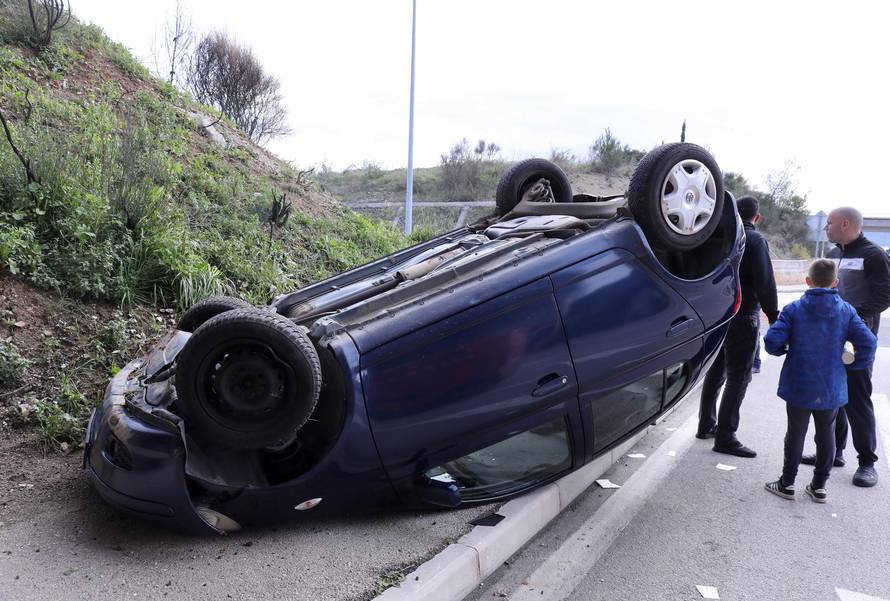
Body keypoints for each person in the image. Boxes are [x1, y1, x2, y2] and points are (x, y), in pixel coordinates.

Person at [762, 259, 876, 503]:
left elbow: (771, 340)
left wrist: (783, 350)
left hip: (799, 383)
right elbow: (868, 342)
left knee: (795, 433)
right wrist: (854, 365)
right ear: (835, 282)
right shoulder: (846, 311)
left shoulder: (794, 309)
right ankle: (819, 486)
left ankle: (787, 483)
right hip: (831, 385)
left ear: (808, 281)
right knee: (827, 434)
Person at [799, 207, 890, 487]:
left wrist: (852, 316)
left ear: (846, 224)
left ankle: (866, 463)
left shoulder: (874, 255)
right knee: (830, 396)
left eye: (830, 223)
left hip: (857, 340)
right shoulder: (834, 253)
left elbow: (885, 295)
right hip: (830, 338)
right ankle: (833, 453)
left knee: (857, 399)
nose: (826, 227)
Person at [696, 196, 779, 457]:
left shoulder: (715, 236)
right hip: (743, 315)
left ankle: (705, 425)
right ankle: (726, 437)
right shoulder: (755, 240)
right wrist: (774, 316)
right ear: (757, 217)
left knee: (716, 371)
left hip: (715, 315)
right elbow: (765, 282)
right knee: (738, 377)